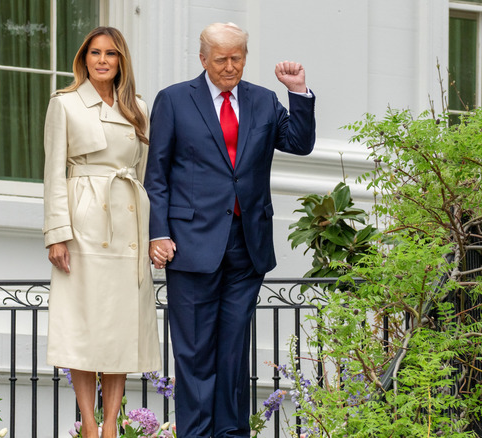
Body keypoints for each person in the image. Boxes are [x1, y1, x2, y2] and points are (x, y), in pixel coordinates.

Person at [144, 22, 316, 437]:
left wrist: (299, 93)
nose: (229, 66)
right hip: (190, 246)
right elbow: (157, 176)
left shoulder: (262, 99)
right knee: (195, 353)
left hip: (247, 246)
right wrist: (158, 233)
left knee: (234, 354)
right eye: (220, 58)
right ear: (203, 58)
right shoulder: (173, 100)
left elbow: (299, 142)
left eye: (237, 57)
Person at [42, 27, 161, 438]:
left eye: (111, 53)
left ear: (121, 61)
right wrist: (57, 232)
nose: (102, 60)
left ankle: (111, 425)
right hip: (84, 224)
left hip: (128, 222)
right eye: (95, 52)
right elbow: (54, 173)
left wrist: (150, 232)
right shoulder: (65, 103)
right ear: (84, 58)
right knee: (84, 323)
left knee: (120, 327)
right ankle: (89, 424)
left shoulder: (139, 109)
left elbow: (145, 174)